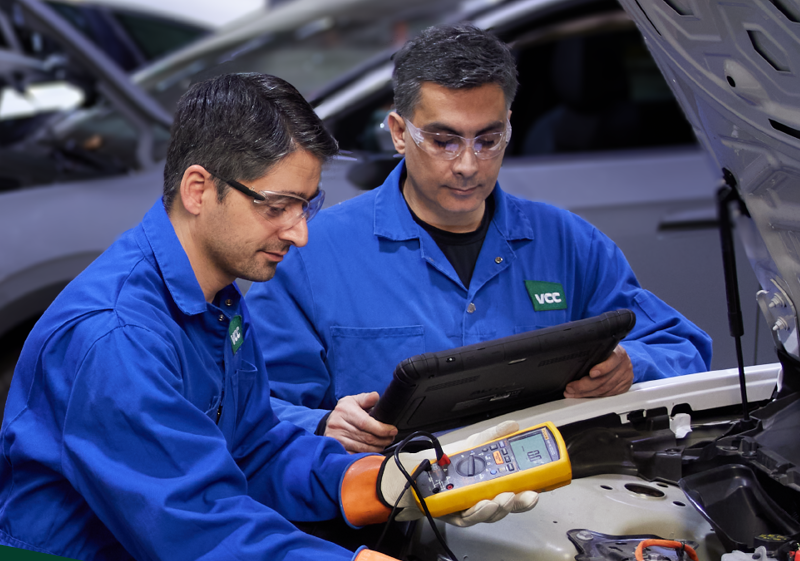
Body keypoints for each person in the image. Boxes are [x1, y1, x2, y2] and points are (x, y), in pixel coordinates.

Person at [0, 73, 571, 561]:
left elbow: (256, 450)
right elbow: (203, 533)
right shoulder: (116, 338)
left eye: (308, 205)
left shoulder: (212, 295)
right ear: (200, 189)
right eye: (278, 206)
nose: (299, 233)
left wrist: (390, 482)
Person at [246, 24, 713, 454]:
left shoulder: (570, 245)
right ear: (398, 133)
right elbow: (250, 403)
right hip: (392, 516)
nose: (468, 164)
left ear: (509, 125)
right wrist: (324, 423)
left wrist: (631, 364)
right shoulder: (311, 255)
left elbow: (683, 348)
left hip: (553, 506)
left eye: (488, 140)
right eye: (444, 140)